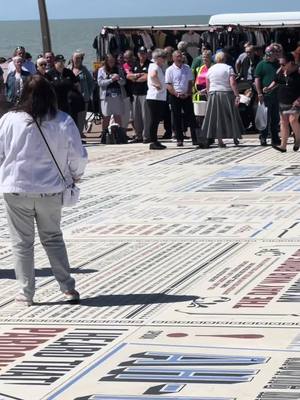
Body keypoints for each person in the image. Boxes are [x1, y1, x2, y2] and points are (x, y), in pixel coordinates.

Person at [0, 75, 87, 306]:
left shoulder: (8, 119)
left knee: (21, 242)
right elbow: (77, 155)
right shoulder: (63, 120)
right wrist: (75, 174)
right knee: (53, 238)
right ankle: (68, 288)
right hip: (50, 189)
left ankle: (25, 292)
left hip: (15, 188)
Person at [201, 51, 244, 147]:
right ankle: (235, 138)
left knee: (216, 117)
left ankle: (220, 141)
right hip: (226, 93)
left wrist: (208, 95)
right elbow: (232, 82)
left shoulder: (211, 69)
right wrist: (237, 95)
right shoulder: (228, 68)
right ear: (224, 59)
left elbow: (208, 84)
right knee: (231, 115)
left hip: (213, 94)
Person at [264, 53, 300, 152]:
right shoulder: (281, 71)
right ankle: (283, 146)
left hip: (295, 101)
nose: (281, 66)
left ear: (291, 63)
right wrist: (269, 88)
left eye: (283, 64)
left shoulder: (298, 71)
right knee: (283, 122)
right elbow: (276, 81)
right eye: (280, 64)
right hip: (283, 99)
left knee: (293, 120)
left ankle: (297, 140)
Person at [165, 50, 197, 146]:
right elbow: (168, 84)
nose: (179, 58)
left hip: (186, 95)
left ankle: (195, 138)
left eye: (180, 56)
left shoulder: (187, 68)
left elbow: (190, 81)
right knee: (176, 117)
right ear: (173, 58)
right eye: (177, 56)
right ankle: (179, 138)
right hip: (175, 96)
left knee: (191, 117)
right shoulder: (169, 70)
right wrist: (175, 93)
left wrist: (188, 93)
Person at [46, 54, 85, 130]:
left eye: (63, 61)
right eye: (59, 62)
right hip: (56, 103)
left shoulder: (69, 72)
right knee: (57, 122)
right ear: (55, 63)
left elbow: (77, 85)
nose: (61, 64)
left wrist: (79, 96)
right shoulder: (50, 74)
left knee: (71, 121)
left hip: (69, 103)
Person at [255, 46, 281, 146]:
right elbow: (257, 80)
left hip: (277, 95)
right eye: (275, 51)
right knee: (265, 117)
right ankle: (263, 137)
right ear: (269, 53)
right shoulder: (261, 64)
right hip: (266, 96)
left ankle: (275, 138)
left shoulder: (277, 64)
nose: (277, 53)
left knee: (275, 118)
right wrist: (259, 93)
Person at [126, 46, 150, 143]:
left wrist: (135, 78)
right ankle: (138, 135)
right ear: (138, 54)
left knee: (146, 116)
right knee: (136, 117)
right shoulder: (135, 64)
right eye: (140, 53)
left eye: (143, 53)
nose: (142, 55)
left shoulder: (150, 64)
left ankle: (146, 136)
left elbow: (147, 77)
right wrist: (137, 76)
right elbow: (128, 76)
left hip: (145, 93)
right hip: (135, 93)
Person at [97, 54, 126, 134]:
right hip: (106, 97)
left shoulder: (119, 69)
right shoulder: (101, 70)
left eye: (113, 61)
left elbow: (123, 82)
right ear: (106, 61)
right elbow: (100, 82)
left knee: (117, 115)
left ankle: (120, 133)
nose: (112, 63)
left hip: (117, 96)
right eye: (110, 61)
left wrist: (118, 78)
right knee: (106, 116)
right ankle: (104, 133)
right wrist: (111, 80)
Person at [69, 50, 94, 139]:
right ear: (72, 59)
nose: (78, 60)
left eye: (79, 58)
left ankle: (79, 135)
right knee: (72, 117)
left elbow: (91, 83)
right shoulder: (68, 69)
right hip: (71, 99)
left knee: (81, 118)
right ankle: (73, 135)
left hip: (83, 98)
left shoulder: (84, 70)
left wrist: (88, 93)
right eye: (76, 58)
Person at [146, 49, 167, 150]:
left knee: (156, 119)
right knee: (154, 120)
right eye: (163, 58)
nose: (164, 60)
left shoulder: (158, 66)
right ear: (158, 58)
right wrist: (157, 84)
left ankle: (155, 140)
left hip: (159, 97)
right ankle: (153, 141)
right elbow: (153, 75)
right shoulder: (154, 66)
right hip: (155, 97)